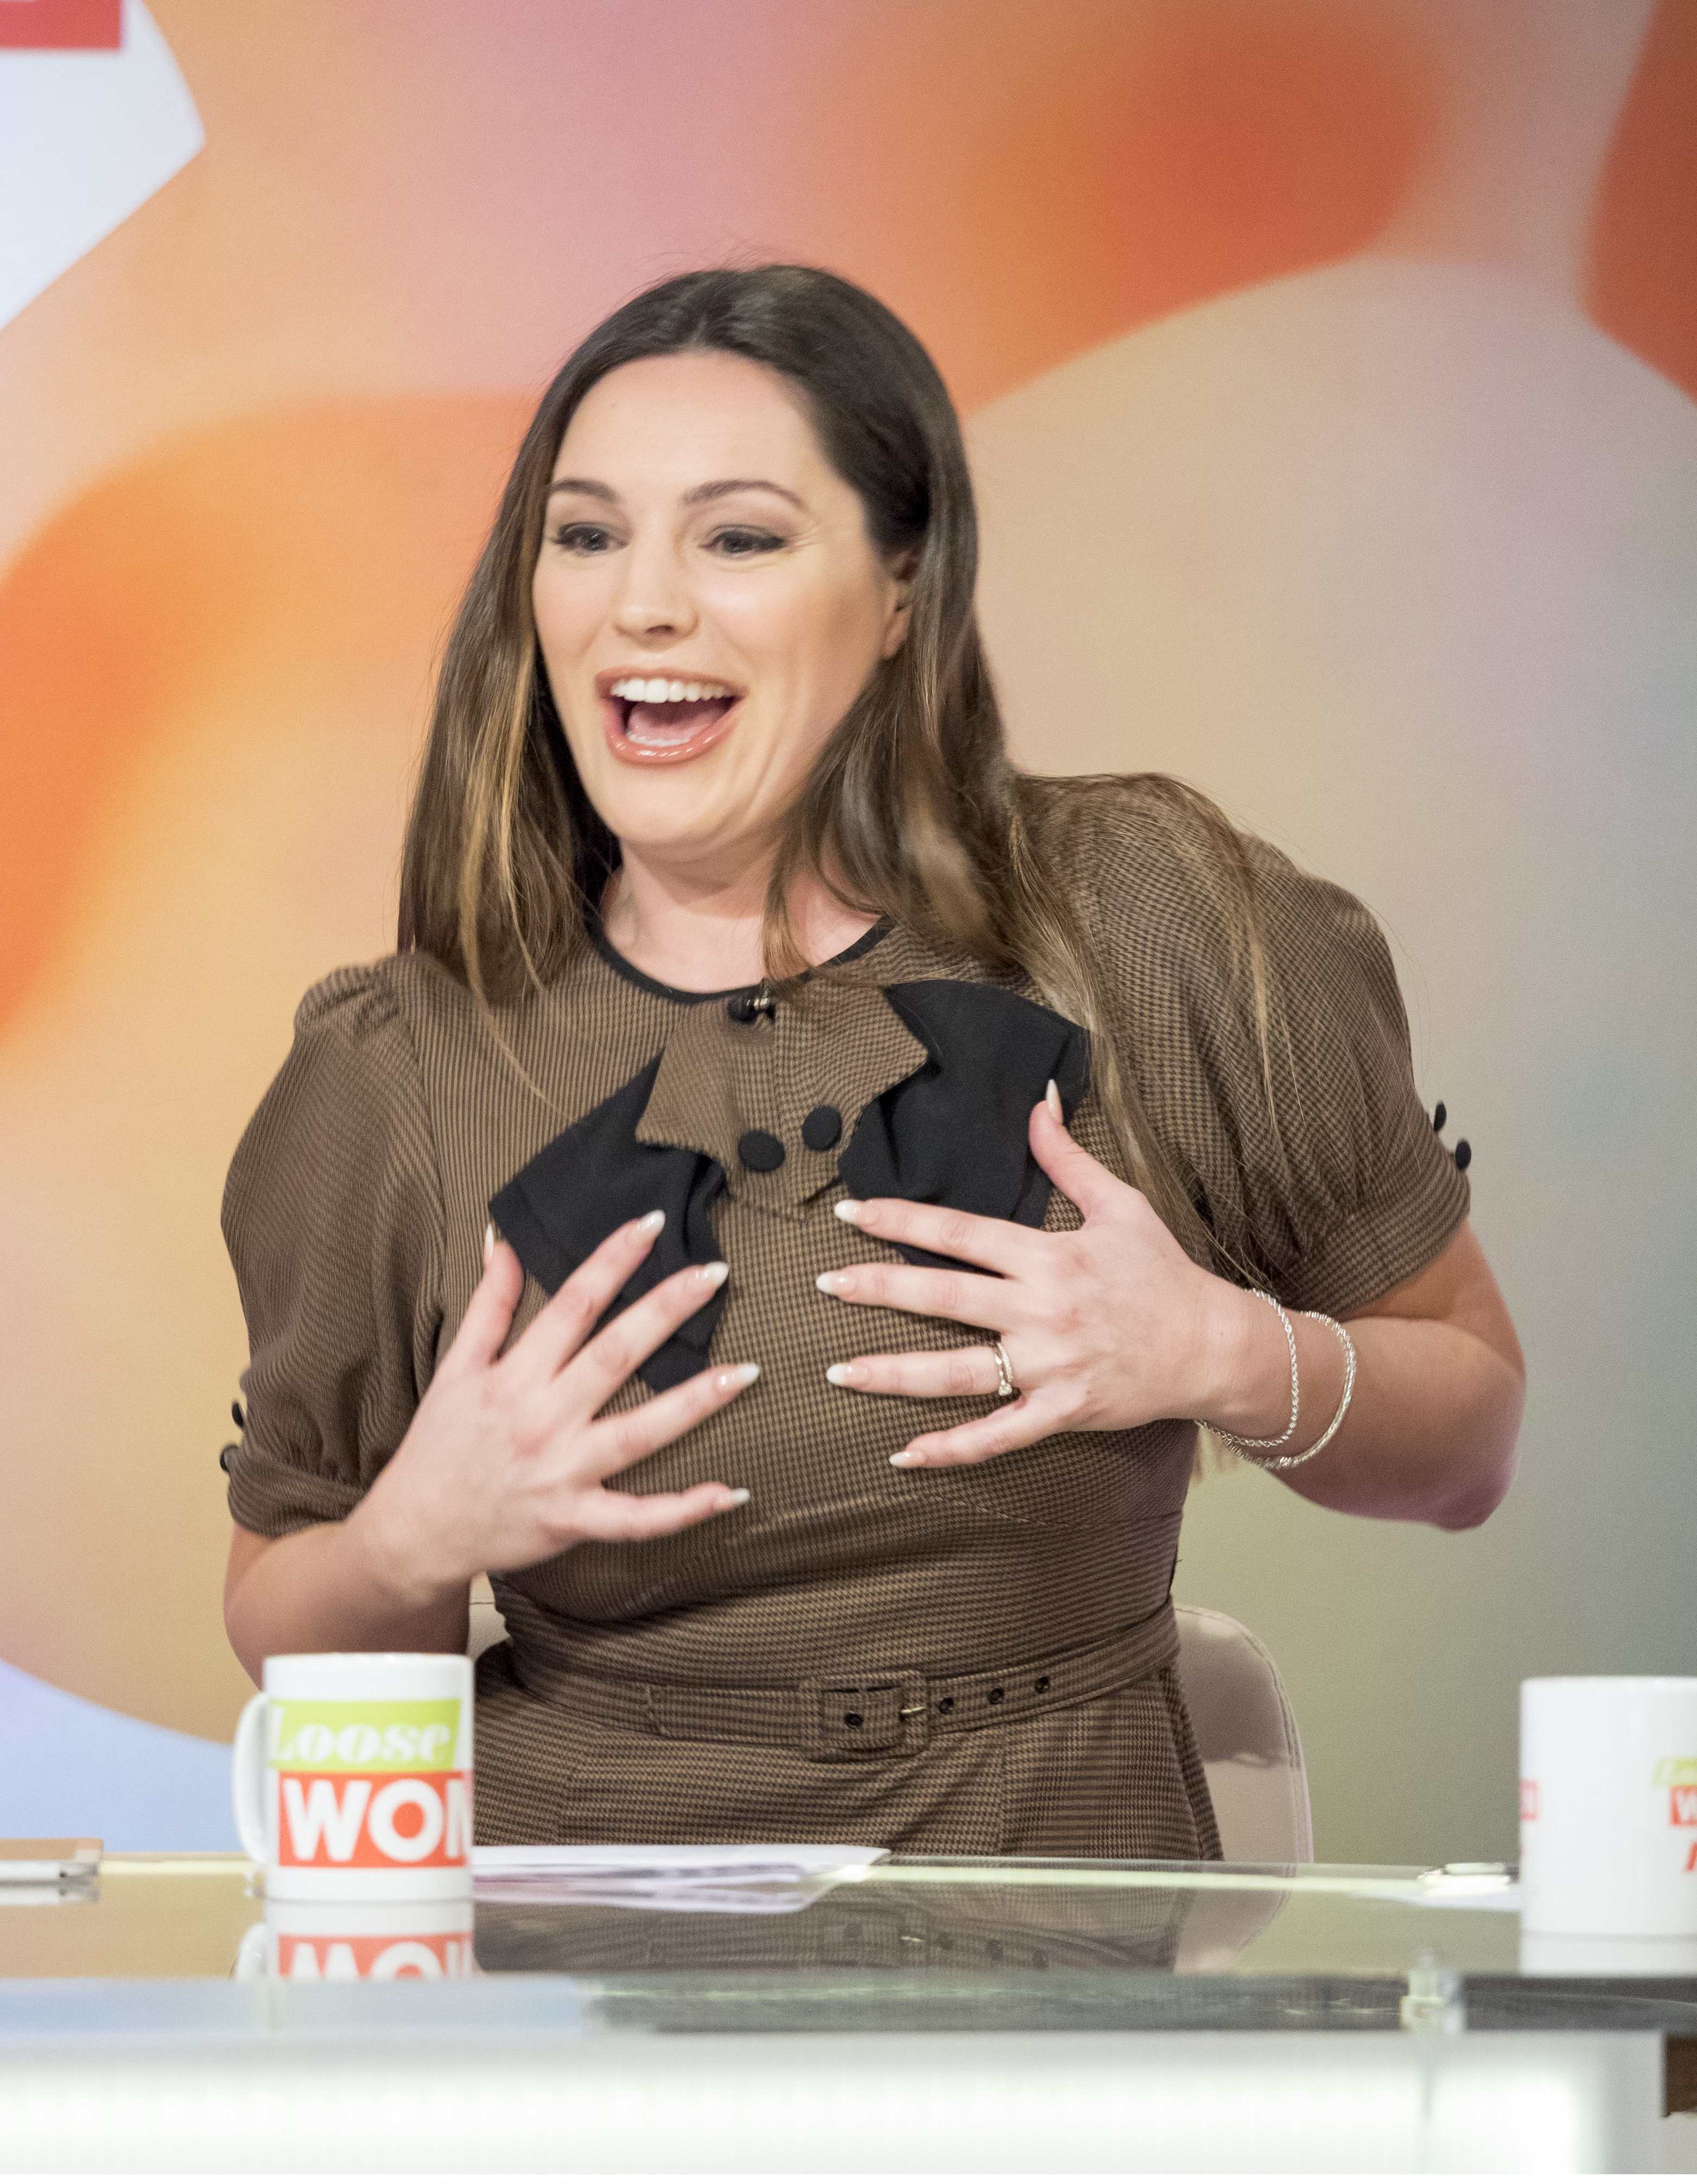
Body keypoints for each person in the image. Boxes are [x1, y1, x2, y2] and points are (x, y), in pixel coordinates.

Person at [220, 265, 1524, 1856]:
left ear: (905, 589)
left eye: (739, 538)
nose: (643, 604)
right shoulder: (399, 1068)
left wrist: (1224, 1354)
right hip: (584, 1946)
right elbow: (288, 1608)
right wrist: (407, 1545)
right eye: (587, 535)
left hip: (1059, 1931)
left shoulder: (1154, 920)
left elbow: (1468, 1444)